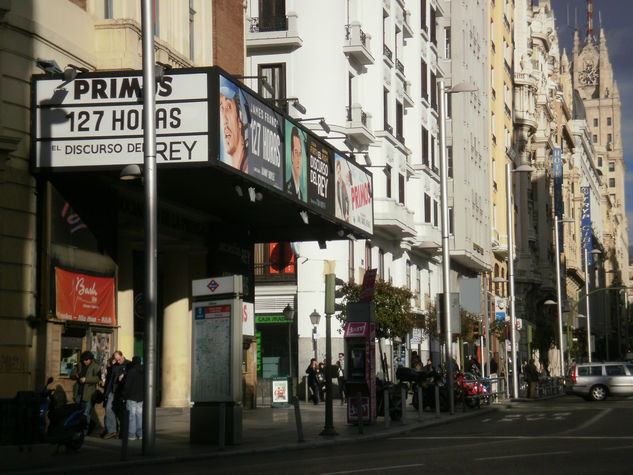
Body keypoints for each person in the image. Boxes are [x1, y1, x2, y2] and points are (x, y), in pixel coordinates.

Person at [219, 79, 248, 173]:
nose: (224, 119)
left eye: (228, 107)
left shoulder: (249, 167)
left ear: (240, 118)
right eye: (221, 108)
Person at [70, 351, 100, 435]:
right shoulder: (79, 365)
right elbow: (71, 375)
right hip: (78, 393)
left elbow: (97, 379)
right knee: (77, 412)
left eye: (87, 360)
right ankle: (77, 431)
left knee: (86, 413)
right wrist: (75, 375)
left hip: (88, 394)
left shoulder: (95, 366)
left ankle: (84, 433)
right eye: (83, 360)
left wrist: (86, 379)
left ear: (90, 359)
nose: (85, 361)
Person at [120, 356, 144, 440]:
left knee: (131, 416)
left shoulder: (131, 372)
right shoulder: (143, 371)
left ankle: (132, 434)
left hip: (131, 397)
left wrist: (123, 396)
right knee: (139, 416)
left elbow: (127, 386)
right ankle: (140, 434)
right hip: (140, 397)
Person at [100, 356, 118, 439]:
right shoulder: (110, 370)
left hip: (113, 392)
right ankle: (110, 429)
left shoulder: (115, 369)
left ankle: (112, 430)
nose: (107, 364)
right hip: (109, 392)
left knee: (109, 409)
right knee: (109, 411)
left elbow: (112, 382)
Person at [286, 126, 305, 200]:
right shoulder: (286, 187)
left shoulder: (301, 195)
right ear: (292, 155)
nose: (298, 159)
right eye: (296, 152)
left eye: (300, 154)